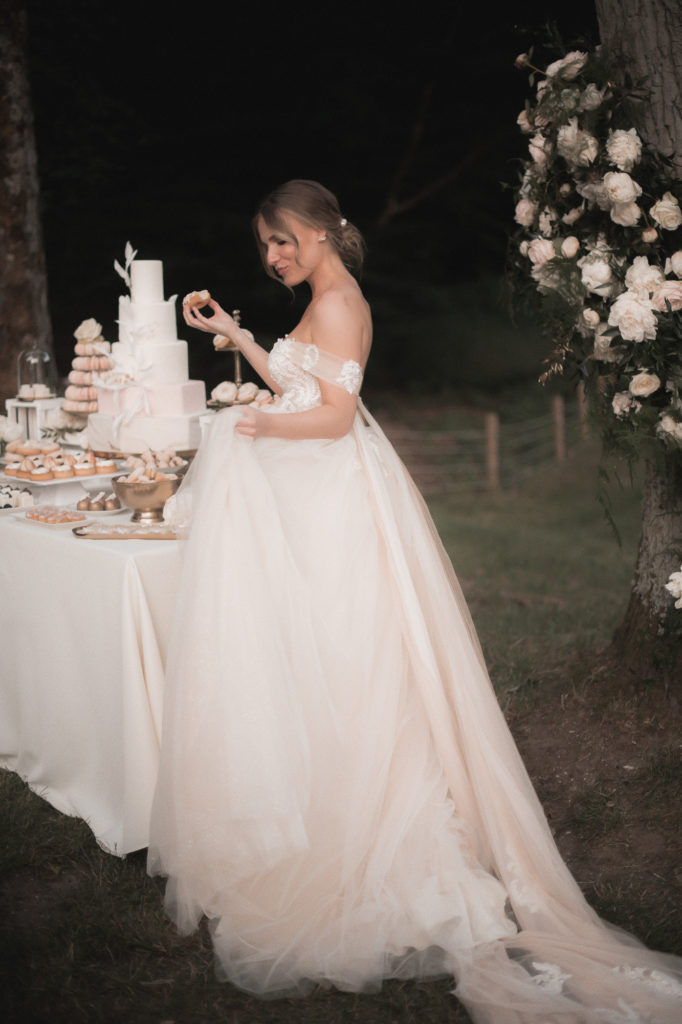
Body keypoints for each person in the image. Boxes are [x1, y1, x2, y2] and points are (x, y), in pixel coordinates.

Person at [148, 180, 682, 1022]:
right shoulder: (322, 300)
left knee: (350, 654)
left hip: (333, 501)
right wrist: (239, 338)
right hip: (311, 494)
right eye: (266, 246)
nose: (274, 256)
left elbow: (332, 417)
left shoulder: (342, 304)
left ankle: (369, 824)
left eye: (283, 240)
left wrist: (251, 425)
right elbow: (302, 387)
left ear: (322, 233)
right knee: (319, 655)